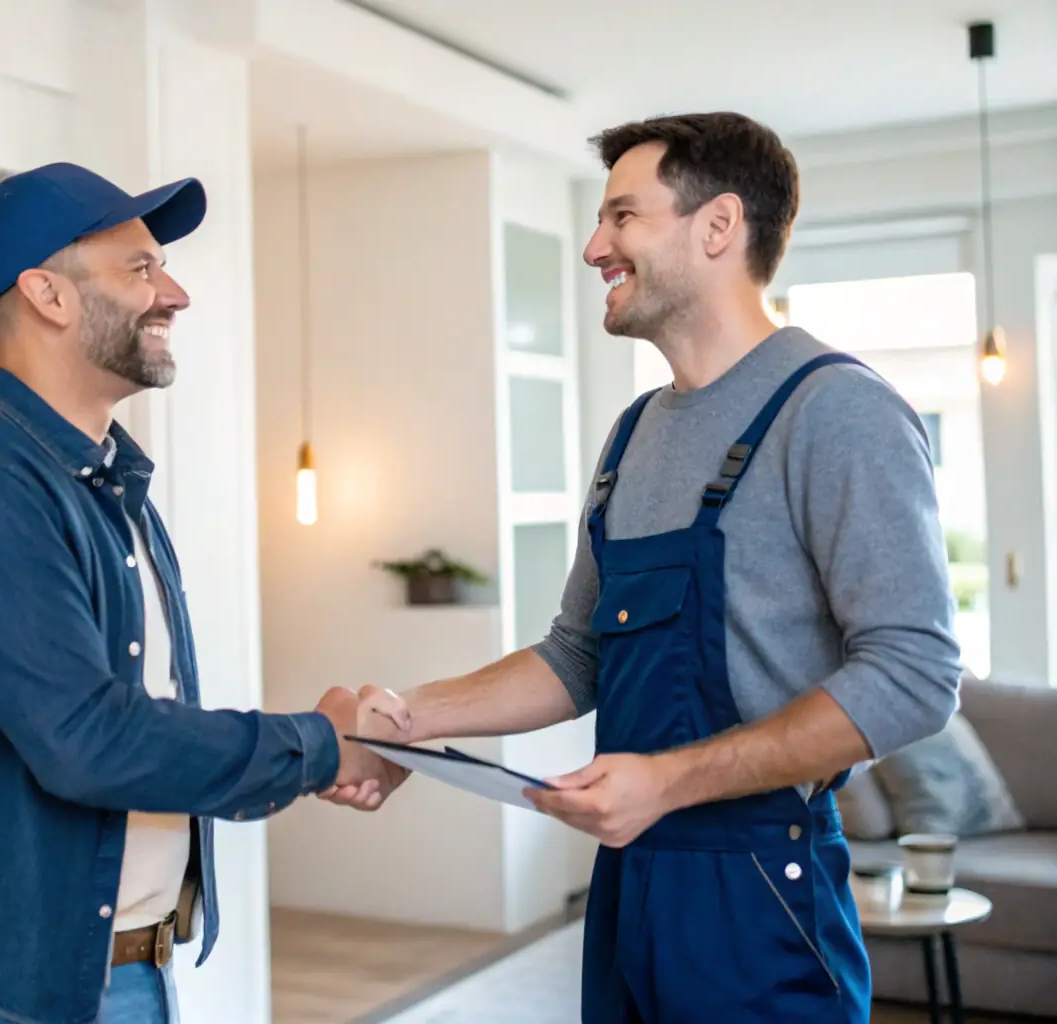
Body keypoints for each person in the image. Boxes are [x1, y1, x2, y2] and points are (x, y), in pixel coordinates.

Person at [327, 112, 963, 1022]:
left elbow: (915, 674)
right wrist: (406, 720)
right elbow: (576, 653)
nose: (594, 246)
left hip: (761, 889)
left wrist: (666, 782)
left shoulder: (836, 412)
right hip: (631, 883)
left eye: (623, 216)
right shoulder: (635, 432)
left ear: (718, 227)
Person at [0, 162, 398, 1024]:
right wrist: (321, 745)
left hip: (111, 967)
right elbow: (85, 738)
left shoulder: (102, 480)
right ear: (47, 294)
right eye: (142, 270)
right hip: (18, 988)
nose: (176, 294)